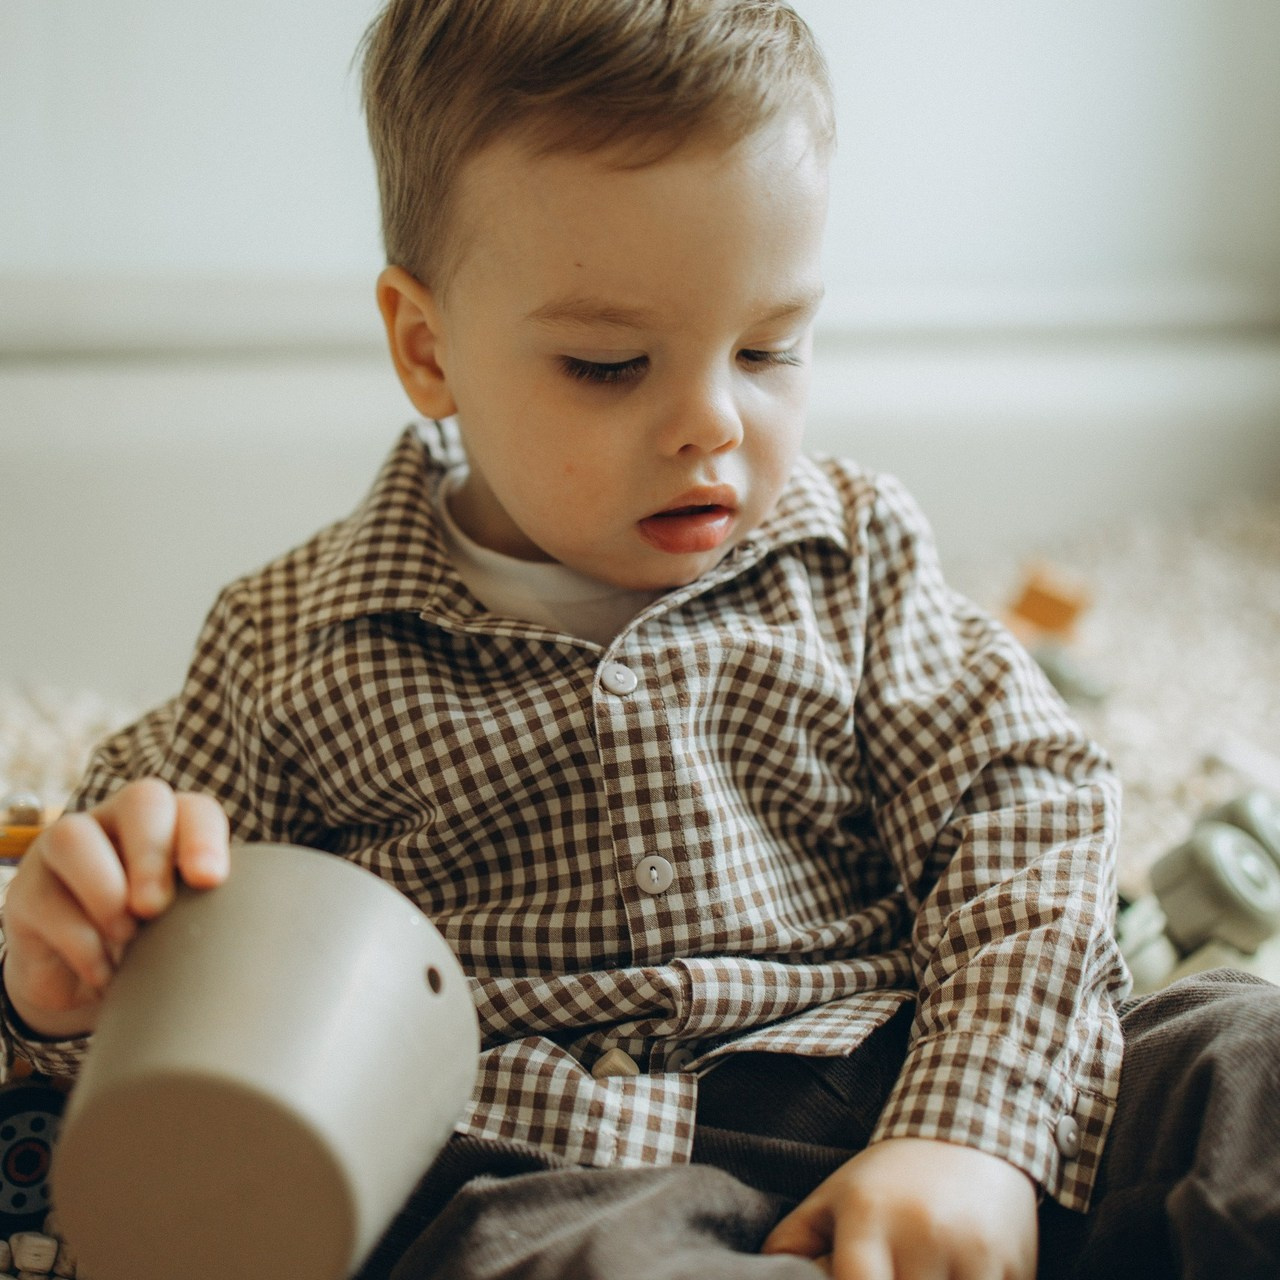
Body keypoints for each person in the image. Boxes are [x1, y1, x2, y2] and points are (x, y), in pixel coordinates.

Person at [3, 3, 1279, 1277]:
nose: (709, 423)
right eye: (610, 364)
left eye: (769, 346)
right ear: (425, 345)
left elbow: (1027, 804)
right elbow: (182, 1043)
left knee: (1236, 1048)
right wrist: (72, 975)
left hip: (899, 1064)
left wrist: (974, 1130)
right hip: (551, 1155)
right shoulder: (289, 645)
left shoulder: (854, 556)